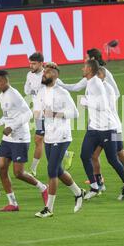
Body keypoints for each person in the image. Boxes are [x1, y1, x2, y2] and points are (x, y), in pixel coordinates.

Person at [57, 48, 124, 184]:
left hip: (111, 122)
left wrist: (103, 105)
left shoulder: (104, 75)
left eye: (86, 58)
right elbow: (76, 87)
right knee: (97, 154)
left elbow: (116, 94)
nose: (84, 60)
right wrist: (58, 82)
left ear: (93, 60)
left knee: (117, 153)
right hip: (97, 124)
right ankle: (99, 180)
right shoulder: (91, 78)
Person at [79, 59, 124, 201]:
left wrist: (85, 102)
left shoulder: (101, 86)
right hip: (96, 127)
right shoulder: (91, 84)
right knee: (88, 155)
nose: (82, 69)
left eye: (84, 67)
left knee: (114, 157)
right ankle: (96, 185)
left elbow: (103, 106)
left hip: (110, 127)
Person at [33, 63, 84, 218]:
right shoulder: (41, 92)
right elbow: (39, 111)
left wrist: (55, 114)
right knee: (59, 170)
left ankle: (49, 208)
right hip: (49, 135)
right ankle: (78, 192)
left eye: (47, 73)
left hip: (62, 136)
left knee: (52, 171)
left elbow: (75, 113)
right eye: (43, 73)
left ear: (55, 76)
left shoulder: (62, 93)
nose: (43, 74)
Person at [0, 70, 48, 212]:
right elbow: (8, 115)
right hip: (7, 138)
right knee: (2, 168)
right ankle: (12, 203)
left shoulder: (14, 94)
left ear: (5, 81)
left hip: (20, 138)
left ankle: (42, 187)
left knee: (18, 173)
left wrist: (12, 127)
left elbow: (28, 113)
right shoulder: (2, 96)